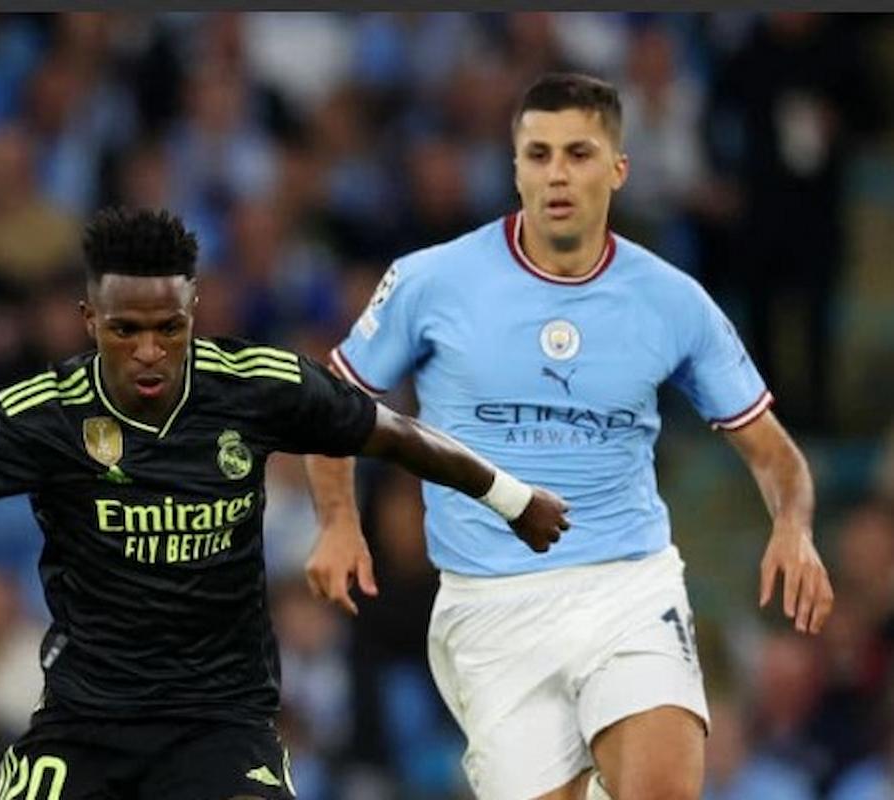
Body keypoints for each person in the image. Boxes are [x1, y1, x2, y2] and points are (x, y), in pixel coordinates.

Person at [0, 206, 569, 800]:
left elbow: (394, 435)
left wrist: (509, 495)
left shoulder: (256, 385)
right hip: (87, 720)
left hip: (221, 721)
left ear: (194, 310)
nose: (150, 351)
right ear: (90, 320)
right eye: (126, 330)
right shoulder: (42, 413)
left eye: (170, 327)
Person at [304, 73, 834, 800]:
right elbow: (331, 407)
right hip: (489, 606)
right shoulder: (431, 282)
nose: (556, 173)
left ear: (617, 168)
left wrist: (793, 527)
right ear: (515, 168)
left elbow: (774, 453)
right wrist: (337, 521)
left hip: (627, 587)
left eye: (578, 153)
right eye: (539, 154)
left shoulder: (672, 301)